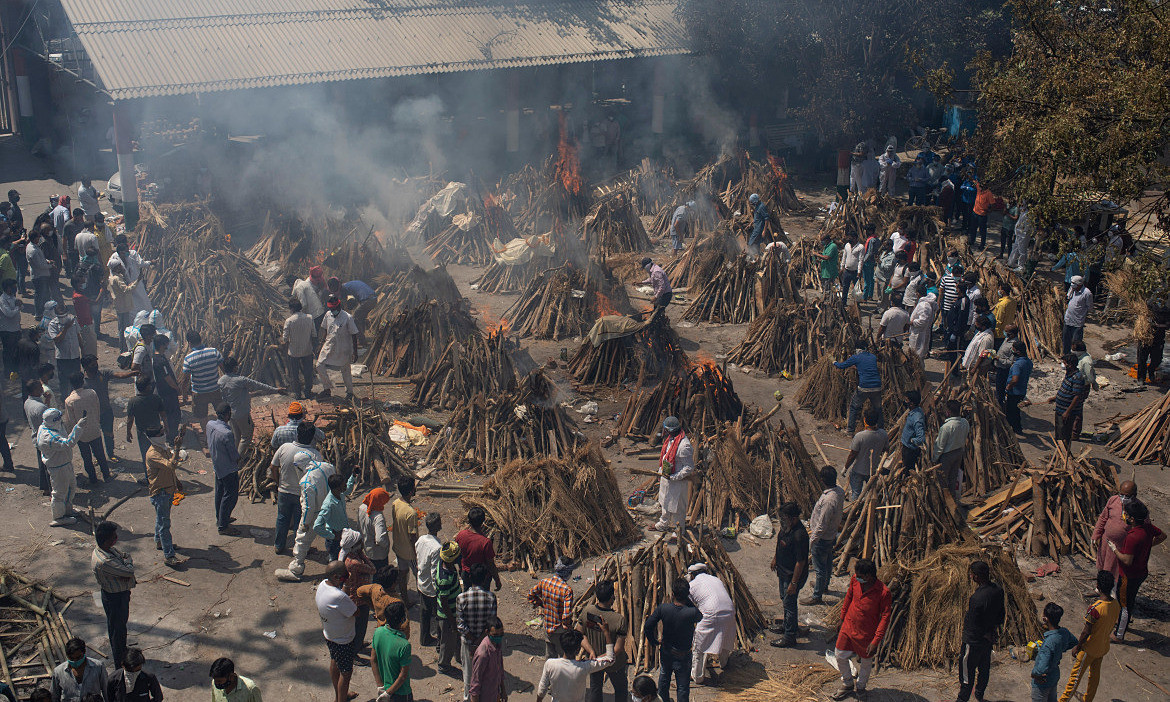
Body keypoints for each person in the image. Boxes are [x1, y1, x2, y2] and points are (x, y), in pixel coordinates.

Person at [830, 558, 891, 701]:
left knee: (865, 662)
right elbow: (848, 597)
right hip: (849, 626)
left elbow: (885, 618)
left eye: (860, 576)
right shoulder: (855, 581)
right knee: (839, 655)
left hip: (867, 633)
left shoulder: (883, 592)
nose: (857, 578)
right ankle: (847, 683)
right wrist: (842, 617)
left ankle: (861, 686)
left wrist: (876, 641)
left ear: (869, 576)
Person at [1057, 571, 1119, 702]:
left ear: (1098, 586)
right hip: (1103, 647)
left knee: (1074, 680)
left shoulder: (1095, 608)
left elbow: (1086, 631)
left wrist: (1078, 647)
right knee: (1094, 677)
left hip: (1089, 649)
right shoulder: (1116, 605)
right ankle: (1088, 699)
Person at [1109, 500, 1165, 641]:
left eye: (1126, 515)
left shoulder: (1133, 536)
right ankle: (1122, 624)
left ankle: (1118, 635)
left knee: (1125, 605)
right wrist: (1147, 546)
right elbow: (1163, 536)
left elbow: (1127, 560)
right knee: (1129, 600)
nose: (1124, 516)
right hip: (1141, 572)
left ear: (1132, 519)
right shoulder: (1147, 528)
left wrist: (1114, 549)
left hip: (1129, 574)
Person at [277, 454, 337, 581]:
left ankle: (296, 568)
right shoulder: (328, 466)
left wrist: (305, 523)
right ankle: (334, 559)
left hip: (316, 513)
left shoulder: (306, 481)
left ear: (299, 467)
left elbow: (308, 507)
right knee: (333, 534)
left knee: (302, 539)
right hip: (332, 507)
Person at [953, 560, 1005, 702]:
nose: (970, 577)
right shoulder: (998, 590)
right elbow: (1001, 615)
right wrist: (991, 632)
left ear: (976, 576)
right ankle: (979, 695)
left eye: (971, 574)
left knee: (966, 675)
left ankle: (962, 699)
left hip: (973, 641)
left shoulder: (976, 598)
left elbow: (974, 623)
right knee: (984, 669)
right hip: (987, 641)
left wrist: (983, 633)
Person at [643, 578, 701, 702]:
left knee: (663, 682)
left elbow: (648, 626)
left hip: (667, 651)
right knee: (683, 687)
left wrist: (653, 642)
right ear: (687, 594)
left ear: (673, 594)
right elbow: (700, 616)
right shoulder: (692, 612)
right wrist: (687, 599)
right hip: (683, 655)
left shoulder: (663, 608)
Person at [270, 421, 323, 553]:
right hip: (302, 494)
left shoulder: (284, 447)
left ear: (297, 434)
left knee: (282, 519)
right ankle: (299, 548)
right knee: (301, 522)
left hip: (284, 491)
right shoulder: (315, 455)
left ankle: (278, 545)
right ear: (312, 438)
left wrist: (278, 483)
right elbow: (316, 477)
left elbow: (273, 467)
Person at [92, 521, 136, 669]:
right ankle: (120, 663)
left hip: (119, 594)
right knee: (117, 631)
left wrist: (126, 561)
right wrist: (128, 563)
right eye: (113, 537)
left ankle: (122, 652)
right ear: (106, 540)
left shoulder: (108, 550)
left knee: (119, 627)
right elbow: (128, 570)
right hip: (115, 598)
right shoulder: (105, 561)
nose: (116, 539)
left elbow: (125, 555)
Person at [217, 356, 283, 453]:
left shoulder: (221, 381)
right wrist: (276, 390)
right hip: (242, 413)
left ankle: (233, 456)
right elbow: (259, 385)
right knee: (246, 437)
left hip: (230, 413)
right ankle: (238, 459)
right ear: (235, 367)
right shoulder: (241, 380)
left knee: (236, 437)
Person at [576, 579, 628, 700]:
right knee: (620, 689)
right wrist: (604, 657)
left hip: (594, 661)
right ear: (611, 598)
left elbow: (579, 634)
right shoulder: (618, 619)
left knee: (595, 688)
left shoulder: (587, 611)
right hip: (615, 663)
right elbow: (618, 648)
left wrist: (591, 652)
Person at [317, 561, 358, 702]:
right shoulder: (339, 597)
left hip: (330, 635)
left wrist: (345, 585)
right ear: (335, 577)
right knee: (346, 674)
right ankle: (341, 699)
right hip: (343, 640)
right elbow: (355, 612)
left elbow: (341, 600)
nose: (345, 579)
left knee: (335, 662)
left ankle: (339, 695)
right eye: (344, 577)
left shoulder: (323, 585)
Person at [803, 466, 844, 606]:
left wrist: (812, 540)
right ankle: (823, 586)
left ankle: (817, 596)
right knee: (827, 563)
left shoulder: (828, 500)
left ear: (822, 480)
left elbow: (822, 524)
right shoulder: (839, 492)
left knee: (819, 567)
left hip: (822, 537)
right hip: (831, 535)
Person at [38, 407, 87, 525]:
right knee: (59, 493)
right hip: (58, 468)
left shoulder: (47, 426)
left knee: (71, 487)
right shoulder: (49, 437)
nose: (61, 420)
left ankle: (68, 510)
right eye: (59, 418)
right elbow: (68, 443)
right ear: (54, 420)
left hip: (65, 463)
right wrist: (78, 427)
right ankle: (58, 517)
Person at [686, 564, 733, 687]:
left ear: (692, 574)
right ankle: (724, 663)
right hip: (729, 610)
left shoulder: (692, 585)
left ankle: (697, 676)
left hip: (711, 613)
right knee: (725, 637)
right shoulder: (716, 579)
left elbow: (688, 604)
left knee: (699, 644)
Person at [769, 502, 809, 647]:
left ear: (793, 518)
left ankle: (789, 637)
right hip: (783, 571)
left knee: (790, 604)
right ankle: (786, 626)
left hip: (792, 576)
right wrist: (775, 558)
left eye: (784, 518)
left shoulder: (800, 535)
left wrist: (793, 583)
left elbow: (801, 562)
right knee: (785, 601)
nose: (781, 520)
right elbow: (779, 542)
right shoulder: (786, 528)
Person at [458, 564, 499, 702]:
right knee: (486, 673)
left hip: (467, 642)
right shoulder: (491, 598)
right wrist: (480, 640)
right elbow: (491, 623)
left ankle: (468, 698)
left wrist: (472, 640)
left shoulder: (461, 598)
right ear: (485, 578)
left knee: (468, 674)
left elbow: (461, 624)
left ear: (470, 578)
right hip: (485, 643)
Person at [143, 425, 183, 566]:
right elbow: (171, 466)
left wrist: (177, 482)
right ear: (154, 437)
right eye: (161, 433)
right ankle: (169, 555)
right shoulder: (153, 454)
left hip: (168, 489)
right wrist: (177, 448)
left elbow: (170, 471)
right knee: (164, 525)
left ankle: (159, 542)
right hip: (161, 492)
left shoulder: (162, 448)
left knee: (160, 519)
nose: (164, 434)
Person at [651, 416, 694, 540]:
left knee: (678, 508)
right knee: (665, 503)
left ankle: (678, 530)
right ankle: (663, 524)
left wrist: (675, 477)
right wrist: (661, 472)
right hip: (666, 478)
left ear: (670, 430)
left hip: (677, 482)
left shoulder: (684, 446)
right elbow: (666, 456)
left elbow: (689, 467)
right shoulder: (670, 440)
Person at [179, 330, 223, 449]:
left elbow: (185, 380)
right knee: (221, 413)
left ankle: (209, 440)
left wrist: (183, 394)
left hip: (199, 393)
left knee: (203, 417)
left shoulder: (189, 359)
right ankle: (223, 435)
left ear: (189, 342)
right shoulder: (213, 352)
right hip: (215, 389)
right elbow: (224, 368)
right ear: (201, 339)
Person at [63, 372, 110, 483]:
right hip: (94, 429)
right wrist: (96, 422)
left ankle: (93, 479)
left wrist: (72, 434)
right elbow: (97, 409)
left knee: (86, 458)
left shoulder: (69, 401)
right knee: (100, 454)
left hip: (81, 434)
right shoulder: (92, 393)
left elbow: (70, 420)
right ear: (82, 381)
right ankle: (106, 475)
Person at [1029, 603, 1078, 702]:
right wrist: (1061, 648)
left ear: (1045, 619)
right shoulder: (1064, 632)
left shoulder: (1048, 643)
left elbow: (1041, 669)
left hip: (1043, 683)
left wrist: (1034, 674)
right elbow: (1074, 642)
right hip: (1054, 675)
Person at [529, 558, 576, 658]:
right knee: (566, 658)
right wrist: (568, 627)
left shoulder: (544, 582)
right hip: (559, 631)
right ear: (567, 572)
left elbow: (530, 595)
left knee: (550, 657)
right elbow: (566, 615)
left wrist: (540, 603)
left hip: (547, 627)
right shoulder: (567, 590)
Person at [1092, 481, 1138, 580]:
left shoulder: (1138, 508)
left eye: (1127, 496)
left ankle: (1113, 590)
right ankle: (1101, 586)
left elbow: (1144, 529)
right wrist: (1096, 534)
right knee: (1102, 565)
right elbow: (1103, 518)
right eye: (1121, 495)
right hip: (1106, 541)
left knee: (1116, 569)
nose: (1123, 498)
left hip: (1122, 547)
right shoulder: (1113, 500)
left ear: (1134, 495)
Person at [207, 404, 241, 535]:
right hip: (228, 469)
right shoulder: (227, 433)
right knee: (230, 496)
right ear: (228, 415)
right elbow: (233, 455)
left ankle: (221, 518)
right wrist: (239, 458)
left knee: (220, 493)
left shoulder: (210, 424)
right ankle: (223, 526)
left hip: (218, 466)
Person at [340, 529, 377, 650]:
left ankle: (359, 643)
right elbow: (372, 569)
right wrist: (363, 556)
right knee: (360, 626)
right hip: (359, 599)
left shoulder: (347, 556)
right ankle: (355, 651)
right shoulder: (355, 562)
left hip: (354, 596)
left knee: (358, 626)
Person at [834, 340, 881, 433]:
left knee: (853, 407)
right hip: (877, 386)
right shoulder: (873, 357)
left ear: (857, 349)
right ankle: (880, 430)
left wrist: (834, 362)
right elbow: (867, 367)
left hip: (864, 387)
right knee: (878, 409)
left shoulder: (856, 357)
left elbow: (841, 366)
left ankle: (850, 431)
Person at [316, 295, 358, 399]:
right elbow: (325, 329)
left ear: (339, 306)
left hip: (343, 348)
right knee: (319, 365)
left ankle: (349, 392)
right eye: (331, 309)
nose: (333, 310)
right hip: (329, 345)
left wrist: (355, 352)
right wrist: (321, 343)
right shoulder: (328, 314)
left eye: (334, 309)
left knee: (345, 371)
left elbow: (354, 334)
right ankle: (327, 388)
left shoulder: (347, 317)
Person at [372, 600, 413, 700]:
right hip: (401, 692)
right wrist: (388, 693)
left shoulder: (378, 632)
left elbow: (373, 660)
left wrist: (380, 687)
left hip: (385, 686)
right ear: (403, 620)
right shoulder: (404, 645)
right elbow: (403, 676)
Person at [455, 507, 503, 590]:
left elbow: (458, 554)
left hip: (466, 573)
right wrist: (497, 581)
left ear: (469, 521)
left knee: (468, 596)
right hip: (482, 577)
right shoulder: (485, 542)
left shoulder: (461, 535)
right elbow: (490, 564)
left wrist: (460, 568)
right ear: (483, 521)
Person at [125, 376, 165, 475]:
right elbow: (163, 415)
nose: (151, 386)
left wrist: (128, 432)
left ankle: (150, 479)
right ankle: (162, 477)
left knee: (146, 456)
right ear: (147, 387)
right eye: (150, 385)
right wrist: (166, 427)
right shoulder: (156, 398)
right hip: (157, 432)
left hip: (142, 433)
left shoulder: (133, 401)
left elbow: (130, 420)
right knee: (159, 454)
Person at [932, 400, 969, 500]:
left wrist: (934, 459)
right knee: (953, 477)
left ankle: (944, 500)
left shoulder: (946, 427)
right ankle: (952, 499)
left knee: (943, 479)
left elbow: (940, 446)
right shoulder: (965, 422)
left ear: (948, 412)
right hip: (959, 452)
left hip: (947, 455)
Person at [81, 355, 117, 462]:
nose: (96, 366)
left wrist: (133, 373)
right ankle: (98, 457)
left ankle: (111, 454)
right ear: (86, 367)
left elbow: (118, 375)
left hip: (106, 411)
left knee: (109, 433)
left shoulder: (102, 374)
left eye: (96, 364)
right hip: (92, 414)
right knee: (95, 437)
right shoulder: (82, 382)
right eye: (92, 364)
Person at [1048, 354, 1088, 449]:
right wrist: (1055, 398)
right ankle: (1060, 453)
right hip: (1060, 409)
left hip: (1066, 411)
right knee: (1059, 433)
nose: (1063, 365)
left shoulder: (1077, 377)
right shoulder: (1069, 374)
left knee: (1064, 435)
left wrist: (1067, 412)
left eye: (1064, 363)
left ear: (1070, 365)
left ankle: (1065, 454)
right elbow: (1065, 389)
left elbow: (1077, 397)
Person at [390, 476, 420, 602]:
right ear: (410, 492)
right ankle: (424, 601)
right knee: (419, 576)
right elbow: (412, 537)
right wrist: (416, 554)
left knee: (402, 575)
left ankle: (405, 600)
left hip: (398, 548)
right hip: (410, 553)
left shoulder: (395, 503)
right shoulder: (411, 513)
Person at [845, 409, 886, 500]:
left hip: (858, 470)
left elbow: (853, 454)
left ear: (865, 420)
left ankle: (855, 510)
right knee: (871, 493)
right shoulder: (883, 434)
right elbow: (886, 449)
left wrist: (845, 467)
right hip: (873, 471)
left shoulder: (860, 436)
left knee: (856, 493)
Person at [416, 512, 443, 646]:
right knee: (438, 615)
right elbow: (435, 572)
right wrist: (438, 589)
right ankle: (439, 641)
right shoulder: (437, 548)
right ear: (438, 526)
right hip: (432, 588)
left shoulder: (421, 540)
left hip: (421, 582)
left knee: (424, 613)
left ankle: (424, 637)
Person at [436, 541, 464, 673]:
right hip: (448, 615)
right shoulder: (446, 578)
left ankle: (457, 656)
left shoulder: (443, 566)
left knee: (448, 638)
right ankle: (444, 665)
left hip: (447, 612)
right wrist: (453, 622)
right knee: (448, 642)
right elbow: (445, 601)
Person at [51, 638, 108, 702]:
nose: (75, 661)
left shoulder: (98, 666)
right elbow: (54, 696)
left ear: (84, 652)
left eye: (78, 658)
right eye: (71, 658)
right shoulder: (58, 672)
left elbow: (106, 691)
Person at [359, 487, 394, 587]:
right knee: (380, 577)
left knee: (372, 574)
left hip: (367, 547)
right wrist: (386, 545)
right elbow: (380, 539)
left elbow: (359, 527)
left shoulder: (362, 508)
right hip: (378, 553)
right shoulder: (378, 517)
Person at [107, 235, 152, 314]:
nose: (128, 252)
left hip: (136, 283)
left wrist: (150, 263)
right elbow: (111, 270)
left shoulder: (132, 254)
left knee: (143, 303)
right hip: (125, 286)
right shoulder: (114, 257)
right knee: (131, 307)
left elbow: (141, 263)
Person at [150, 335, 182, 442]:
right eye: (166, 344)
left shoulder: (157, 358)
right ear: (162, 345)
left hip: (164, 392)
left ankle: (170, 434)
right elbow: (167, 377)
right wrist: (177, 388)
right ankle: (172, 437)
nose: (167, 346)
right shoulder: (160, 361)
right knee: (173, 415)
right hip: (168, 393)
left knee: (170, 415)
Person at [283, 297, 316, 398]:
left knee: (295, 374)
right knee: (308, 373)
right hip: (307, 350)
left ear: (291, 309)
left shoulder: (289, 321)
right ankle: (308, 392)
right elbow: (314, 334)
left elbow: (285, 338)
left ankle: (297, 393)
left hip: (294, 352)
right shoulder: (309, 318)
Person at [469, 618, 507, 702]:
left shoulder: (497, 644)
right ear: (487, 632)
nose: (499, 637)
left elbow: (499, 669)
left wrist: (503, 691)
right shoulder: (483, 654)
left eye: (501, 634)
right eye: (496, 635)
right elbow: (475, 684)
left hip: (495, 694)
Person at [24, 379, 51, 494]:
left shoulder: (28, 402)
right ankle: (50, 488)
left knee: (42, 464)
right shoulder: (40, 407)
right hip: (44, 439)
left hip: (36, 436)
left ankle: (45, 487)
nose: (42, 389)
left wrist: (47, 400)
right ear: (35, 390)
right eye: (40, 387)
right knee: (48, 465)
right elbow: (48, 419)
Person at [314, 474, 349, 560]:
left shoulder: (340, 495)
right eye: (344, 485)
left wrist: (353, 476)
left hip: (343, 535)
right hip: (334, 542)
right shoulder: (329, 504)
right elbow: (317, 526)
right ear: (337, 488)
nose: (346, 486)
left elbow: (348, 490)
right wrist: (332, 536)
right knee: (336, 564)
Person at [1137, 295, 1169, 383]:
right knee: (1142, 357)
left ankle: (1151, 370)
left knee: (1157, 358)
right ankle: (1141, 378)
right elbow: (1141, 315)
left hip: (1158, 336)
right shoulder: (1148, 303)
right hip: (1145, 334)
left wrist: (1161, 325)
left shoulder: (1167, 309)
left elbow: (1168, 324)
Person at [1004, 341, 1033, 435]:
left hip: (1014, 392)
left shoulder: (1017, 364)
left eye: (1013, 349)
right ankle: (1017, 428)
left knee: (1011, 411)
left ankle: (1011, 429)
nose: (1012, 350)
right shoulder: (1028, 362)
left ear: (1018, 352)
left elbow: (1015, 379)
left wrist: (1008, 387)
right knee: (1016, 411)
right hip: (1022, 390)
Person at [108, 262, 135, 352]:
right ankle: (124, 348)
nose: (121, 267)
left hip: (120, 305)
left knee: (121, 327)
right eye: (119, 266)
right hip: (123, 306)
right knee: (124, 327)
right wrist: (137, 282)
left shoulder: (112, 277)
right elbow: (126, 289)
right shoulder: (117, 279)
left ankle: (123, 347)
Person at [1062, 276, 1093, 356]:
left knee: (1076, 342)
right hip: (1068, 319)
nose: (1072, 285)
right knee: (1066, 340)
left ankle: (1076, 358)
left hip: (1078, 322)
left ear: (1079, 284)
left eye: (1074, 283)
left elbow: (1090, 307)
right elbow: (1068, 298)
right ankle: (1066, 356)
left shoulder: (1087, 293)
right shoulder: (1072, 289)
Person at [26, 228, 52, 316]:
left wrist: (47, 261)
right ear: (34, 239)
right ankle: (39, 313)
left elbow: (41, 260)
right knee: (40, 296)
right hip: (39, 275)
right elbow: (40, 265)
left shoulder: (33, 246)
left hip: (39, 274)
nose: (39, 239)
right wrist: (50, 266)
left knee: (41, 294)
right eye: (37, 238)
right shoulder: (33, 250)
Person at [908, 284, 937, 361]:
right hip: (920, 332)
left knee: (917, 355)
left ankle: (918, 371)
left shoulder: (924, 305)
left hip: (919, 334)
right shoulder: (927, 303)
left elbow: (922, 321)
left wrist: (912, 322)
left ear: (918, 293)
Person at [993, 326, 1020, 406]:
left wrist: (999, 359)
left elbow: (1011, 362)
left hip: (1005, 371)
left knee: (1001, 391)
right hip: (999, 368)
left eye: (1006, 331)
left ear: (1011, 334)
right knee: (998, 390)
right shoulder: (1006, 340)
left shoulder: (1014, 345)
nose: (1004, 333)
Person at [838, 231, 863, 310]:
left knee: (856, 289)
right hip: (847, 270)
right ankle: (843, 303)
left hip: (855, 271)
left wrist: (859, 272)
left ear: (855, 238)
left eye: (850, 238)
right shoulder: (847, 245)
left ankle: (856, 305)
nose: (849, 239)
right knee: (845, 287)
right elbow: (844, 257)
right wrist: (842, 267)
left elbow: (860, 260)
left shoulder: (860, 247)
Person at [62, 208, 86, 277]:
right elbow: (64, 239)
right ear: (74, 216)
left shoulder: (82, 223)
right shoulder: (68, 225)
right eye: (80, 217)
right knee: (74, 268)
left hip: (80, 249)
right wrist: (64, 253)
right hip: (72, 250)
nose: (81, 219)